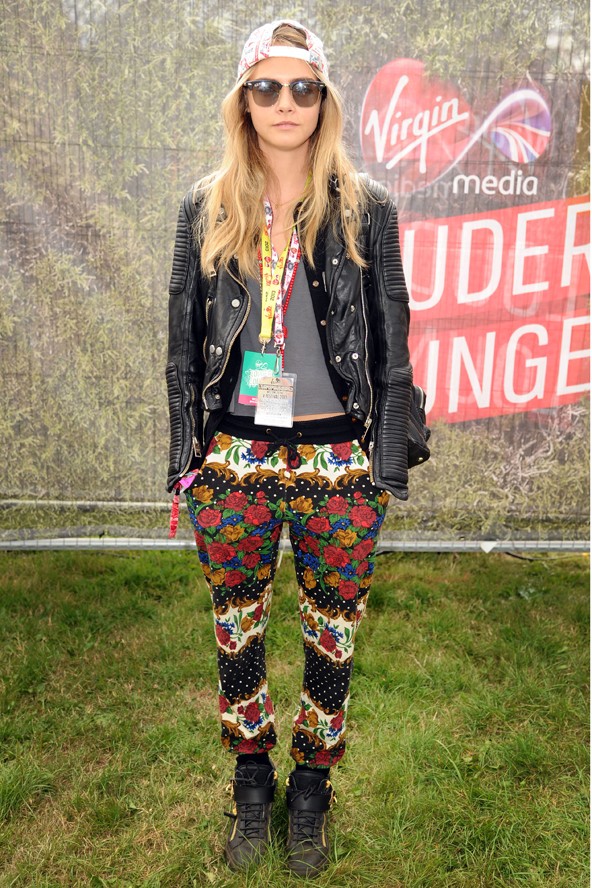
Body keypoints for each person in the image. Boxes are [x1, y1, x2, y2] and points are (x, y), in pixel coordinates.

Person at [166, 19, 413, 877]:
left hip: (338, 462)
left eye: (302, 87)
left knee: (332, 640)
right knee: (236, 635)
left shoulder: (367, 207)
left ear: (324, 101)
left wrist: (383, 466)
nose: (285, 103)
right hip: (233, 457)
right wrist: (183, 465)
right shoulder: (206, 206)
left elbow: (390, 343)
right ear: (244, 100)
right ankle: (252, 783)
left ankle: (312, 789)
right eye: (266, 87)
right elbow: (181, 347)